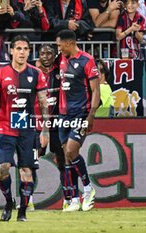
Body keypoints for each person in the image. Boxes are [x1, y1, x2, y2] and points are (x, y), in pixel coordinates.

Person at [0, 35, 49, 222]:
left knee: (27, 171)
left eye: (26, 49)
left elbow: (43, 103)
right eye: (19, 48)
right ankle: (8, 202)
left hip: (28, 130)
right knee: (2, 168)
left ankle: (22, 211)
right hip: (6, 128)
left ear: (29, 52)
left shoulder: (37, 73)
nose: (22, 52)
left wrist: (45, 130)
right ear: (11, 51)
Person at [56, 29, 100, 211]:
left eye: (59, 46)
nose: (58, 49)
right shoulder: (63, 60)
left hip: (81, 113)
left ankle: (89, 189)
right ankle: (74, 198)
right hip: (63, 114)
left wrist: (91, 116)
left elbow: (96, 90)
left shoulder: (87, 60)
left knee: (73, 151)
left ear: (69, 43)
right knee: (67, 157)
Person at [30, 44, 71, 211]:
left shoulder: (60, 72)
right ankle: (28, 200)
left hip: (57, 125)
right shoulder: (32, 72)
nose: (46, 56)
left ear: (56, 55)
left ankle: (69, 199)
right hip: (37, 125)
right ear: (37, 55)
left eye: (50, 53)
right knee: (31, 161)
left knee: (63, 161)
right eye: (42, 53)